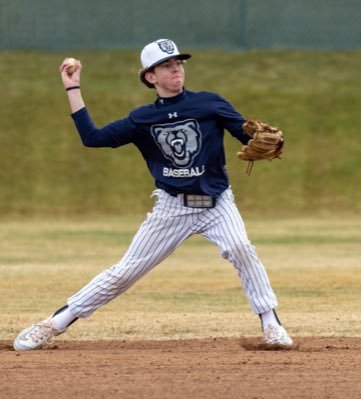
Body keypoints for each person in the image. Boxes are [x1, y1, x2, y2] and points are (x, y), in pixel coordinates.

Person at [13, 39, 293, 351]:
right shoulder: (141, 119)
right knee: (124, 273)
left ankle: (271, 325)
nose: (176, 68)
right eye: (166, 65)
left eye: (178, 63)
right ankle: (53, 324)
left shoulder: (210, 103)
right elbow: (92, 138)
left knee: (241, 248)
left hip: (217, 202)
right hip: (172, 208)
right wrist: (72, 87)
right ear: (150, 77)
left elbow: (249, 135)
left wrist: (271, 142)